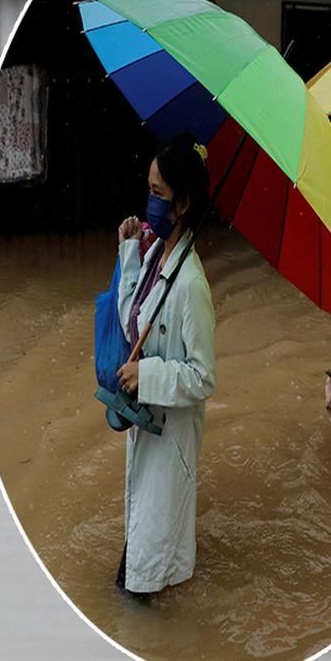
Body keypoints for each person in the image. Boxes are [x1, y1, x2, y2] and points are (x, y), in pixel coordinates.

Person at [114, 133, 216, 596]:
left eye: (159, 195)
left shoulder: (192, 284)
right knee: (140, 552)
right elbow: (133, 324)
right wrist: (130, 252)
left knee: (143, 578)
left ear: (183, 204)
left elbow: (203, 377)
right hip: (146, 426)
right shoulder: (156, 252)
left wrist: (148, 376)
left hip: (170, 435)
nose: (149, 202)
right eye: (149, 189)